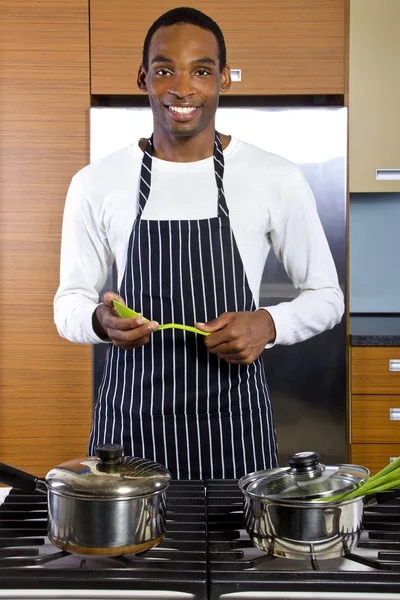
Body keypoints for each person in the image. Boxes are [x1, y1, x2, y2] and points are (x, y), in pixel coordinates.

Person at [54, 6, 344, 480]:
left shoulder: (274, 176)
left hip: (233, 426)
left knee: (232, 554)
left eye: (202, 71)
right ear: (143, 77)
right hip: (130, 428)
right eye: (165, 69)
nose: (183, 88)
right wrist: (99, 321)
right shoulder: (96, 182)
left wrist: (267, 324)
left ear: (224, 80)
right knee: (133, 554)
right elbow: (68, 303)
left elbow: (327, 298)